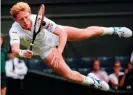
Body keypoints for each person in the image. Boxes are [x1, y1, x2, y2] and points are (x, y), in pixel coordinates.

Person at [9, 2, 132, 91]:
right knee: (68, 75)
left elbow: (62, 33)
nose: (25, 21)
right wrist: (22, 53)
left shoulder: (39, 20)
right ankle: (93, 82)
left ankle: (114, 30)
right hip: (44, 50)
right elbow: (15, 50)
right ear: (15, 20)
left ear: (29, 13)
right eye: (21, 19)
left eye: (26, 17)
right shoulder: (14, 30)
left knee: (85, 33)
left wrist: (59, 50)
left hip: (55, 36)